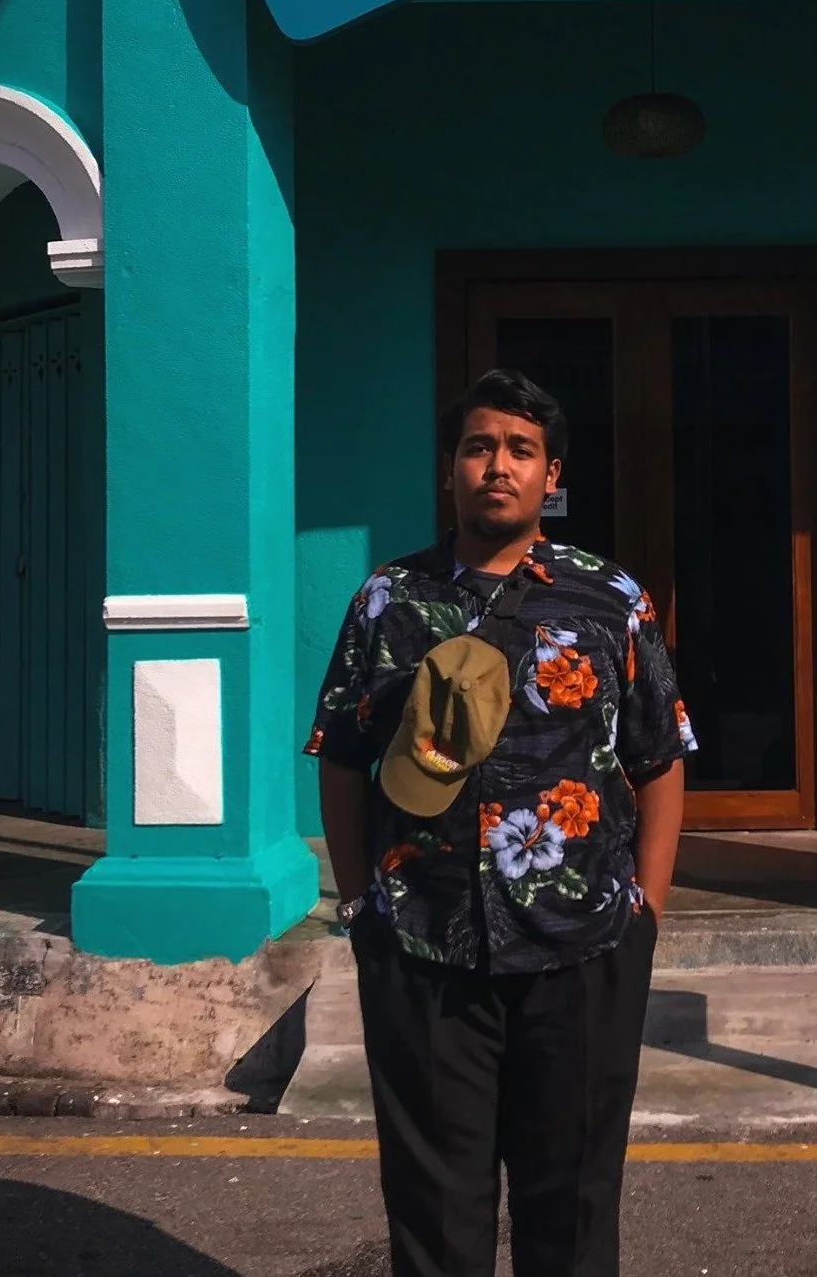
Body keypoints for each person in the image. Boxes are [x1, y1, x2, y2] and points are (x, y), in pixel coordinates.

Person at [304, 368, 696, 1277]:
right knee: (436, 1211)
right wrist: (361, 905)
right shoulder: (388, 600)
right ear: (450, 467)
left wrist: (647, 909)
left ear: (550, 475)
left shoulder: (609, 598)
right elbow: (342, 755)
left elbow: (660, 756)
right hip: (425, 943)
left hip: (583, 949)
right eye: (479, 447)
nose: (498, 466)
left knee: (574, 1206)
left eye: (521, 450)